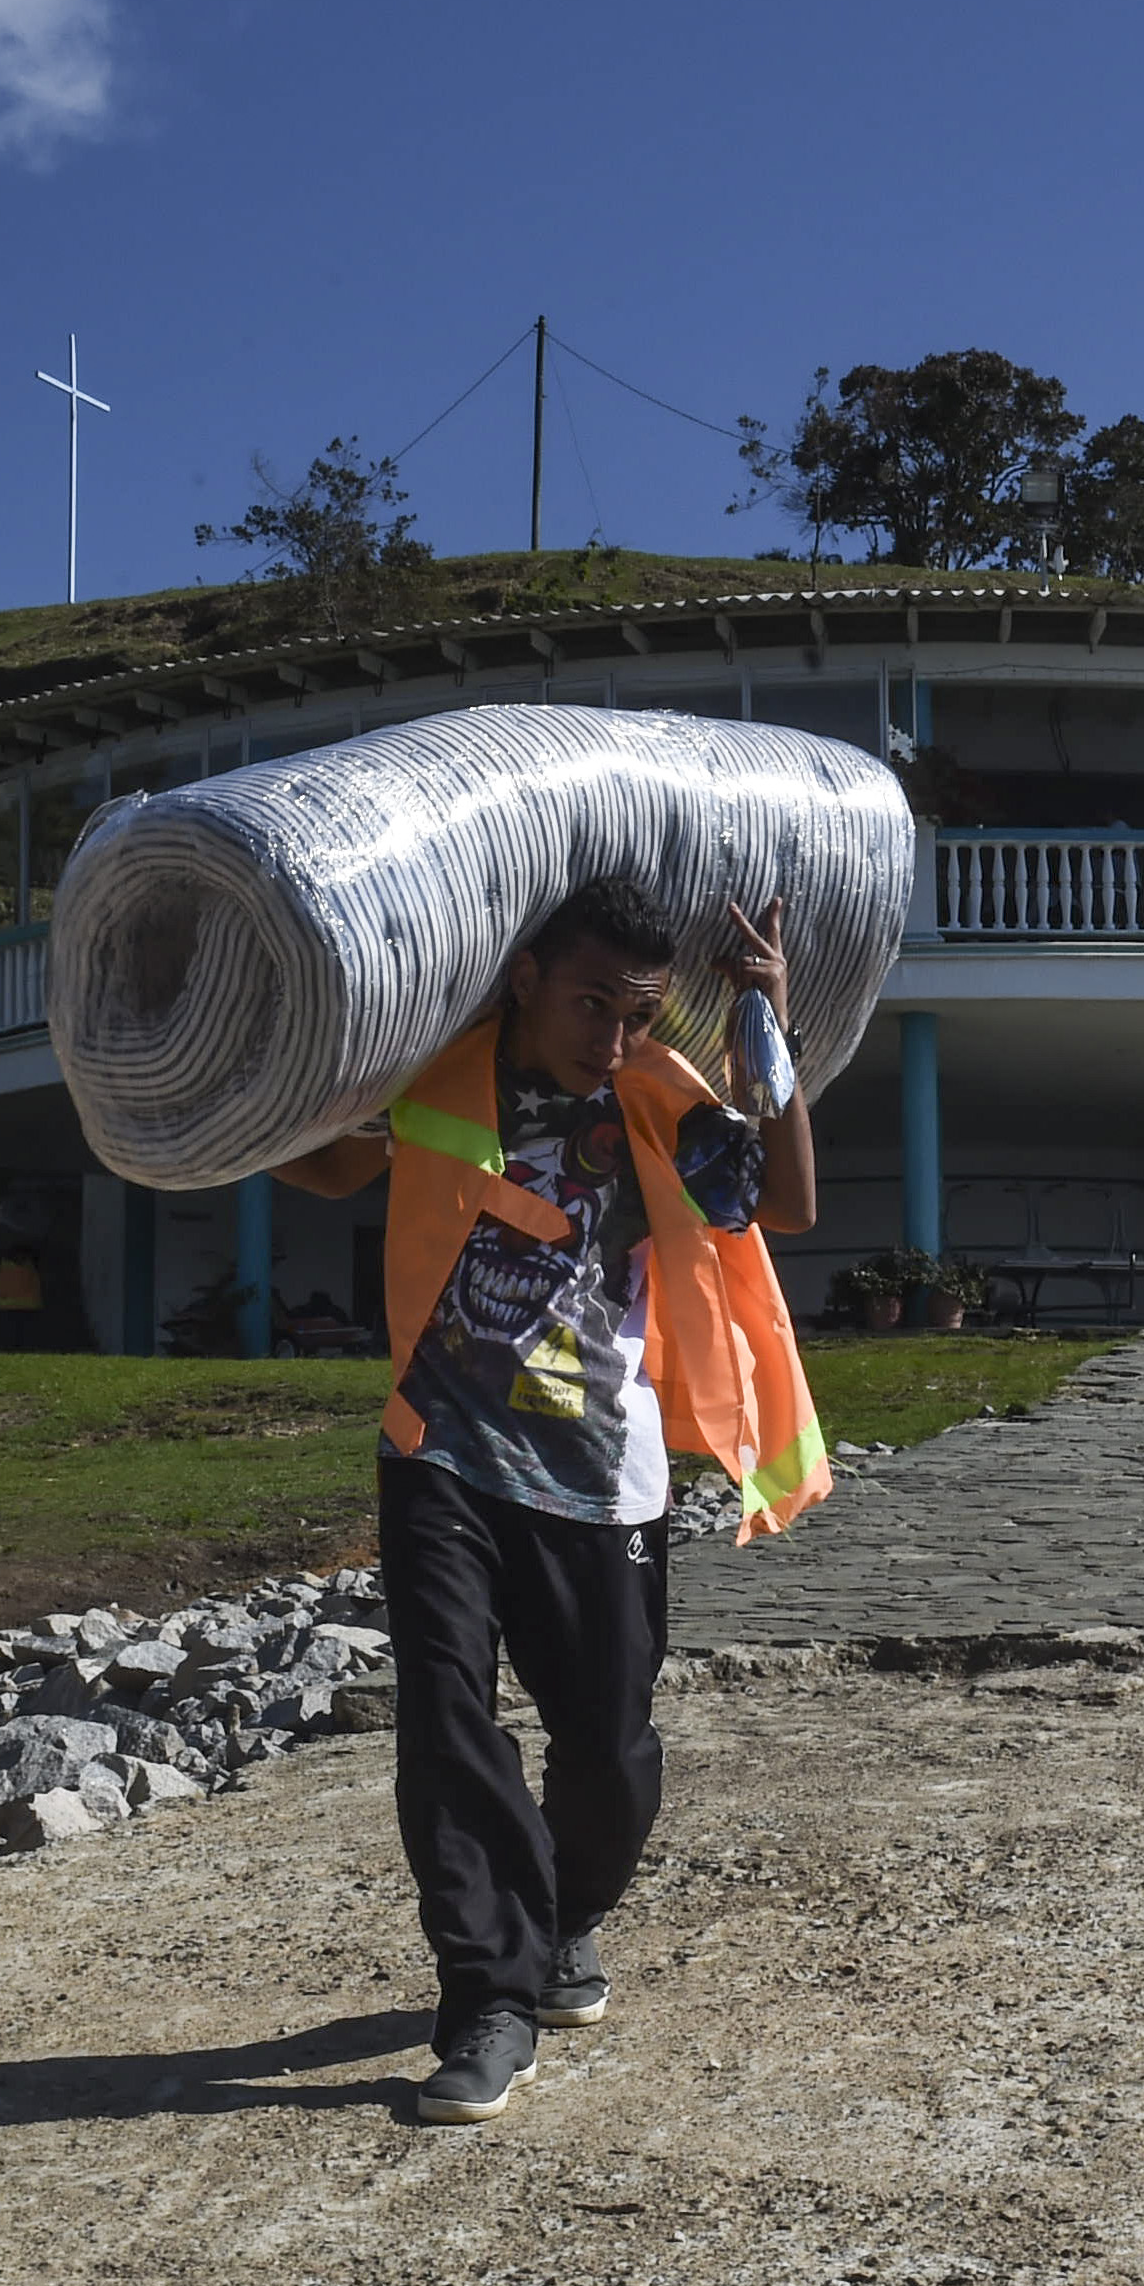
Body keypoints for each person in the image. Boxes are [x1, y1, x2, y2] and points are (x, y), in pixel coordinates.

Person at [270, 876, 826, 2125]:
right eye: (590, 1004)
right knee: (445, 1717)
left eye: (636, 1014)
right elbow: (317, 1163)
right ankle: (487, 1998)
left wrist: (764, 1017)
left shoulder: (656, 1099)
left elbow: (788, 1203)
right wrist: (227, 1086)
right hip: (440, 1448)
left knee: (609, 1751)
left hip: (602, 1477)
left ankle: (567, 1917)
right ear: (525, 977)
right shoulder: (440, 1078)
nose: (611, 1037)